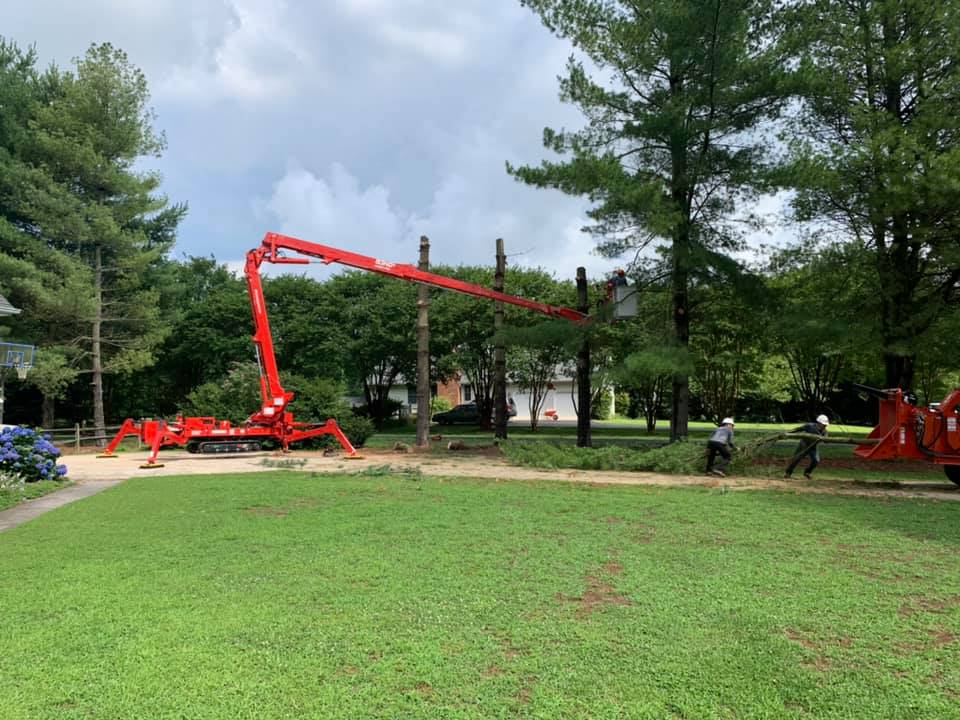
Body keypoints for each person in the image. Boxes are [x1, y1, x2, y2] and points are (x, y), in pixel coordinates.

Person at [784, 414, 829, 479]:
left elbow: (826, 440)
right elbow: (798, 429)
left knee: (816, 460)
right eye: (823, 424)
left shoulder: (825, 431)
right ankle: (788, 473)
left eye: (826, 424)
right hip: (803, 445)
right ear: (819, 423)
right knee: (796, 459)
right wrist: (787, 433)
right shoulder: (809, 426)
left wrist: (824, 439)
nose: (825, 425)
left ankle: (807, 472)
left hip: (813, 447)